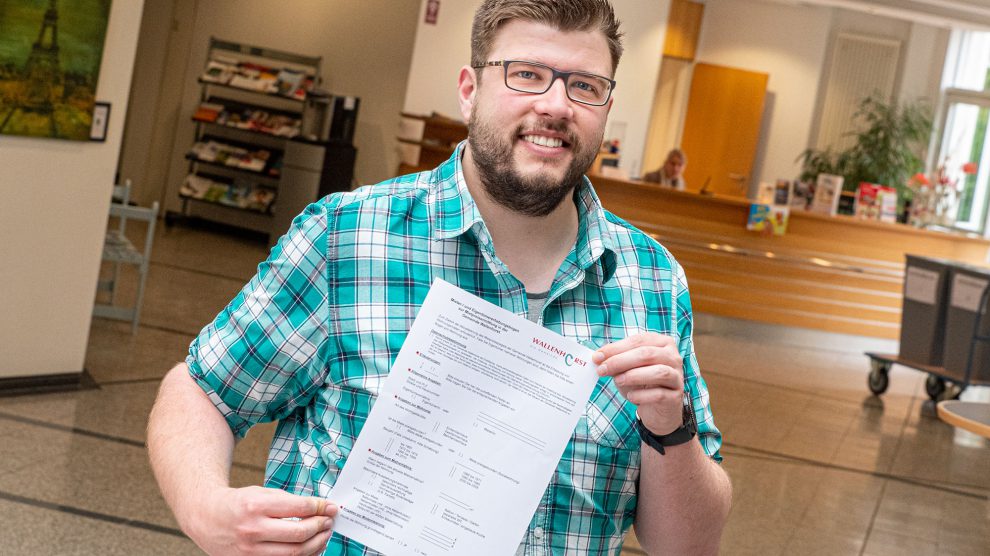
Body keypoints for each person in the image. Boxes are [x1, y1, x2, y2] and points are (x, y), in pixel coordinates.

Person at [147, 1, 731, 554]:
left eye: (585, 85)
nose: (556, 105)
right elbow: (203, 391)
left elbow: (686, 544)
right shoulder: (349, 237)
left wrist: (668, 427)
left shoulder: (651, 279)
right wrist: (205, 509)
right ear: (470, 92)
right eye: (526, 74)